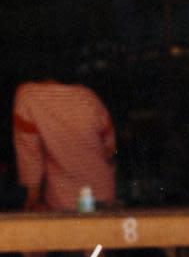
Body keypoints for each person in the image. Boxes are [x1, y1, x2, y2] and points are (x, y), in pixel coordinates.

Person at [13, 60, 116, 212]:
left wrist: (32, 200)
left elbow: (30, 158)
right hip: (103, 194)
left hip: (63, 202)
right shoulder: (88, 96)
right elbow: (110, 148)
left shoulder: (28, 97)